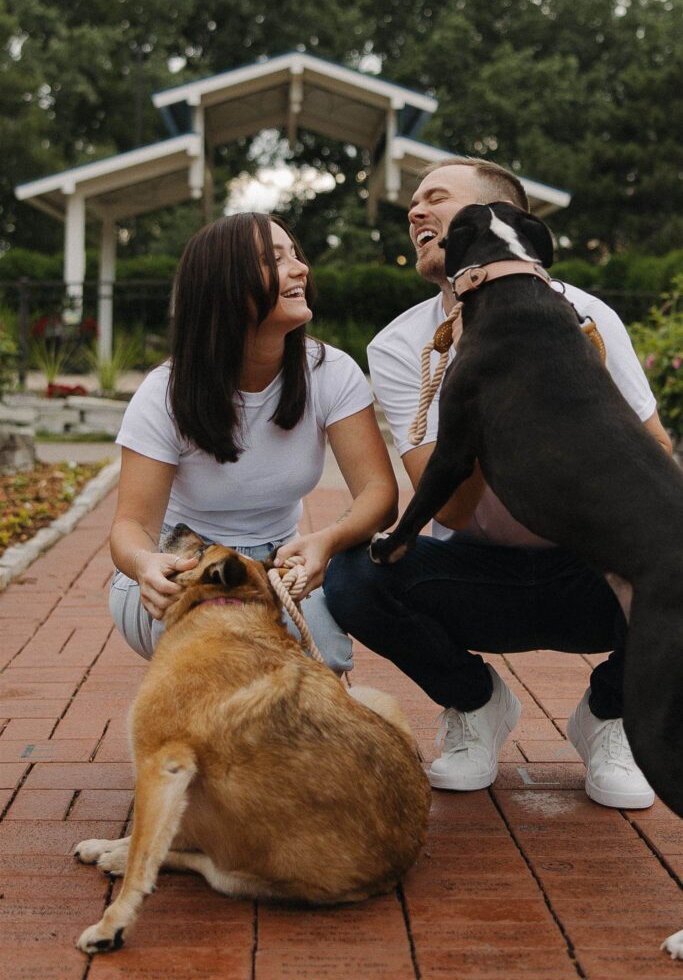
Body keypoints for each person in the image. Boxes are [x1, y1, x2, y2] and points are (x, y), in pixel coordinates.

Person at [324, 156, 673, 808]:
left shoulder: (583, 317)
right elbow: (451, 511)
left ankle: (610, 714)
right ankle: (474, 703)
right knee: (354, 576)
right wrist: (483, 381)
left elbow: (654, 451)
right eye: (412, 206)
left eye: (437, 199)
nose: (415, 212)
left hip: (590, 573)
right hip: (474, 571)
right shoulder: (405, 345)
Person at [109, 212, 397, 676]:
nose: (300, 267)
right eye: (274, 260)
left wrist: (326, 541)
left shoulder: (330, 372)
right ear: (224, 285)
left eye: (295, 255)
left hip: (280, 566)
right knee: (225, 653)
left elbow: (379, 494)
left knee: (325, 657)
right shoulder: (165, 391)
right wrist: (145, 565)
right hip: (185, 562)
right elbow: (130, 525)